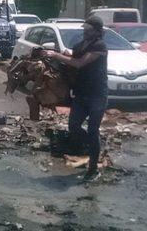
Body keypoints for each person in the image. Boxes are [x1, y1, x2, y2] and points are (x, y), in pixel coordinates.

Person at [46, 16, 108, 182]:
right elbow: (74, 57)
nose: (85, 32)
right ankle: (95, 146)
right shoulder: (82, 44)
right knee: (73, 126)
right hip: (81, 94)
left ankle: (93, 168)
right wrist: (63, 54)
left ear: (96, 31)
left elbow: (80, 63)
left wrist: (57, 56)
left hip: (97, 95)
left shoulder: (99, 46)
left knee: (93, 130)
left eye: (88, 30)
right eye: (84, 29)